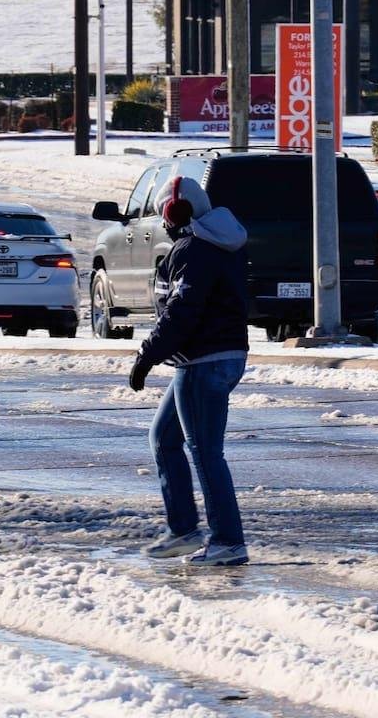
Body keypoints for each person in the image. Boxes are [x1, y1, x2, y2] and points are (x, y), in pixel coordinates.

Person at [130, 175, 251, 567]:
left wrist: (147, 355)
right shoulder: (221, 242)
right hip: (217, 356)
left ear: (175, 213)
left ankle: (228, 541)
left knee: (206, 452)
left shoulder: (192, 249)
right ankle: (183, 530)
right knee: (165, 438)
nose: (163, 223)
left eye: (165, 215)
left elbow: (182, 311)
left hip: (203, 361)